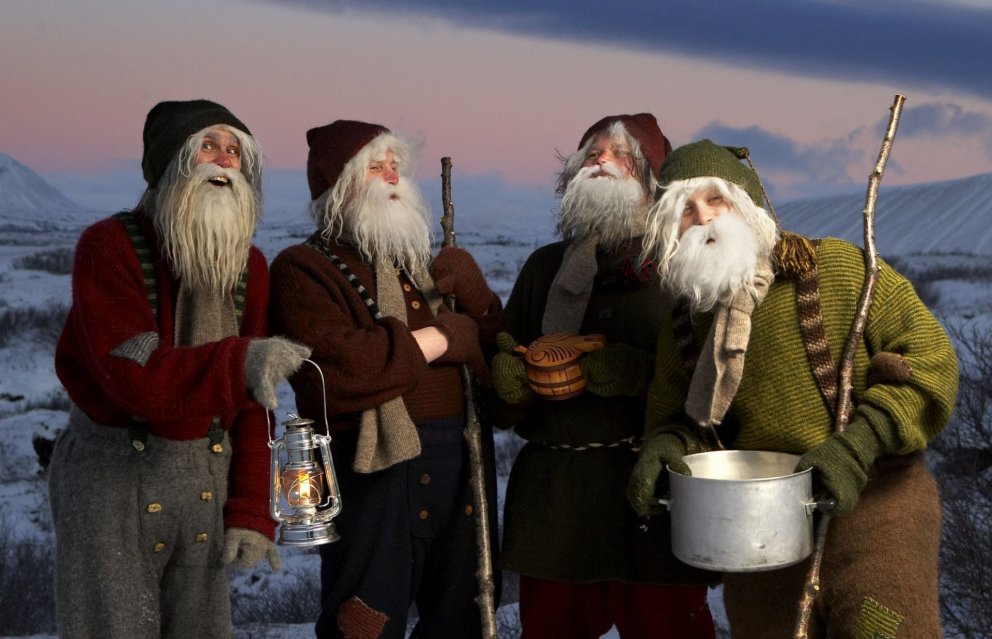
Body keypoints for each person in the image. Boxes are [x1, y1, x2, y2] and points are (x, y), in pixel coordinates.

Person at [627, 139, 959, 637]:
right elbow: (682, 420)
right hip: (763, 528)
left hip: (877, 502)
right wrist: (670, 447)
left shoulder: (837, 271)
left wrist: (861, 441)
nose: (704, 219)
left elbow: (931, 361)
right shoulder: (685, 324)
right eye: (685, 210)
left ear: (748, 202)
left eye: (715, 199)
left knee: (884, 629)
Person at [49, 99, 311, 638]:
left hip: (205, 485)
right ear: (173, 161)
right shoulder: (110, 246)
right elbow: (135, 378)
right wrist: (242, 360)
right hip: (114, 482)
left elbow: (254, 403)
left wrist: (249, 511)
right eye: (207, 146)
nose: (223, 160)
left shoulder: (250, 267)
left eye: (235, 149)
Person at [268, 120, 503, 639]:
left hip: (461, 464)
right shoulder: (303, 268)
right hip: (374, 475)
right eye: (376, 166)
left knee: (460, 619)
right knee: (364, 622)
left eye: (396, 165)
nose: (392, 176)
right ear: (336, 187)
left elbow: (495, 358)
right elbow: (338, 369)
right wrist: (442, 339)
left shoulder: (422, 266)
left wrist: (479, 297)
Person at [491, 114, 717, 639]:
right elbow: (502, 397)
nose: (601, 162)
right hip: (557, 507)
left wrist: (641, 374)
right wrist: (507, 379)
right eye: (591, 154)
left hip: (656, 503)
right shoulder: (546, 270)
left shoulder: (687, 270)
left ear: (651, 182)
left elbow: (716, 391)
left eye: (619, 155)